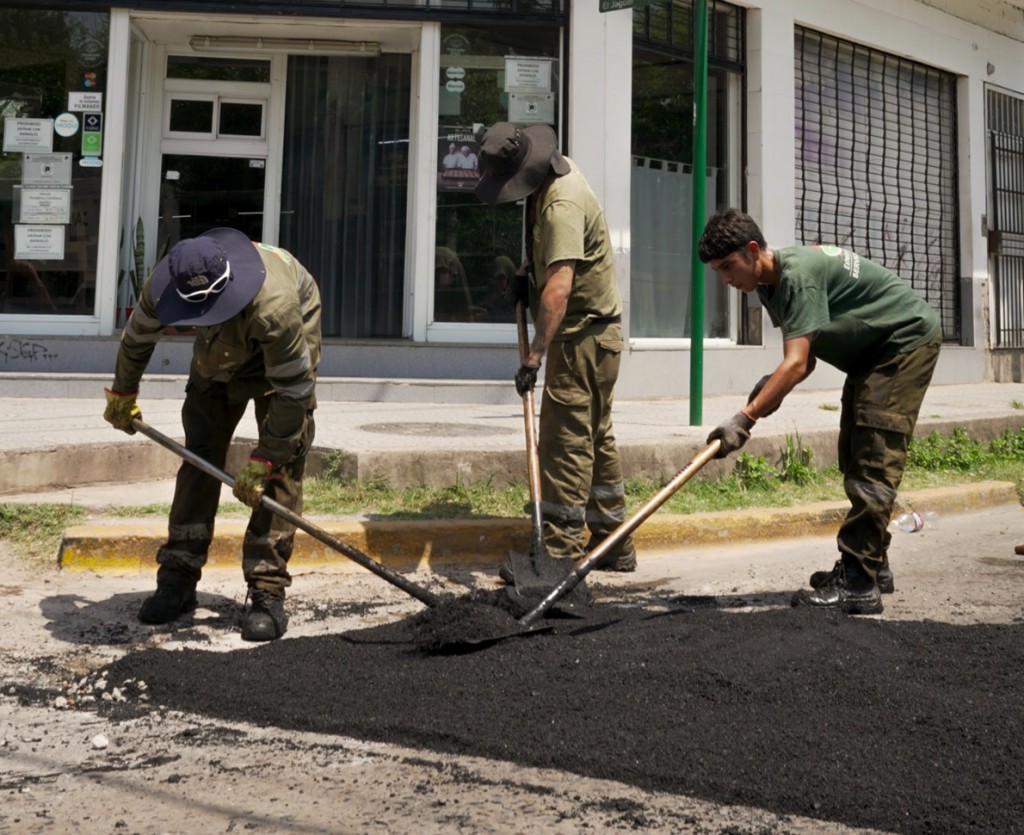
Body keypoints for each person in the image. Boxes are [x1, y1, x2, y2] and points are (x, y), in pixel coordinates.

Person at [698, 208, 942, 615]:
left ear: (754, 250)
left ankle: (859, 584)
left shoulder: (797, 277)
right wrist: (767, 392)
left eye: (727, 266)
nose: (725, 279)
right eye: (717, 272)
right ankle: (871, 564)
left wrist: (746, 418)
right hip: (872, 354)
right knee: (853, 449)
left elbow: (795, 365)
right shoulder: (770, 285)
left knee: (873, 454)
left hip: (903, 343)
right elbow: (804, 359)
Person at [103, 227, 321, 641]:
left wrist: (266, 458)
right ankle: (178, 576)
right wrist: (123, 391)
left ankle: (266, 588)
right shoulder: (168, 281)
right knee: (199, 457)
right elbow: (136, 340)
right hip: (220, 352)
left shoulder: (277, 307)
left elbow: (294, 392)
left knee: (282, 467)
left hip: (283, 345)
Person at [475, 121, 636, 576]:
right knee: (595, 434)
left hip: (580, 338)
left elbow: (560, 289)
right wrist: (527, 273)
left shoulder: (561, 205)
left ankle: (559, 554)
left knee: (564, 441)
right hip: (596, 336)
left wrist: (534, 357)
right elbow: (552, 266)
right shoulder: (555, 179)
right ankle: (612, 542)